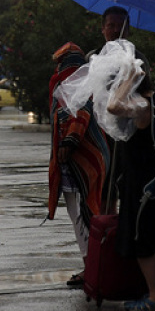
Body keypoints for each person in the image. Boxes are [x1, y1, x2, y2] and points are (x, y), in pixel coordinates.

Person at [105, 44, 155, 311]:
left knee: (143, 241)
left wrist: (128, 78)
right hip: (147, 180)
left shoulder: (143, 103)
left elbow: (113, 106)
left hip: (144, 185)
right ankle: (153, 294)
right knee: (145, 240)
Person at [47, 42, 108, 288]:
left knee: (85, 216)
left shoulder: (78, 85)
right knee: (82, 216)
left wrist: (69, 142)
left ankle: (93, 269)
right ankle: (92, 266)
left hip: (81, 160)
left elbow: (80, 114)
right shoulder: (75, 82)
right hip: (75, 161)